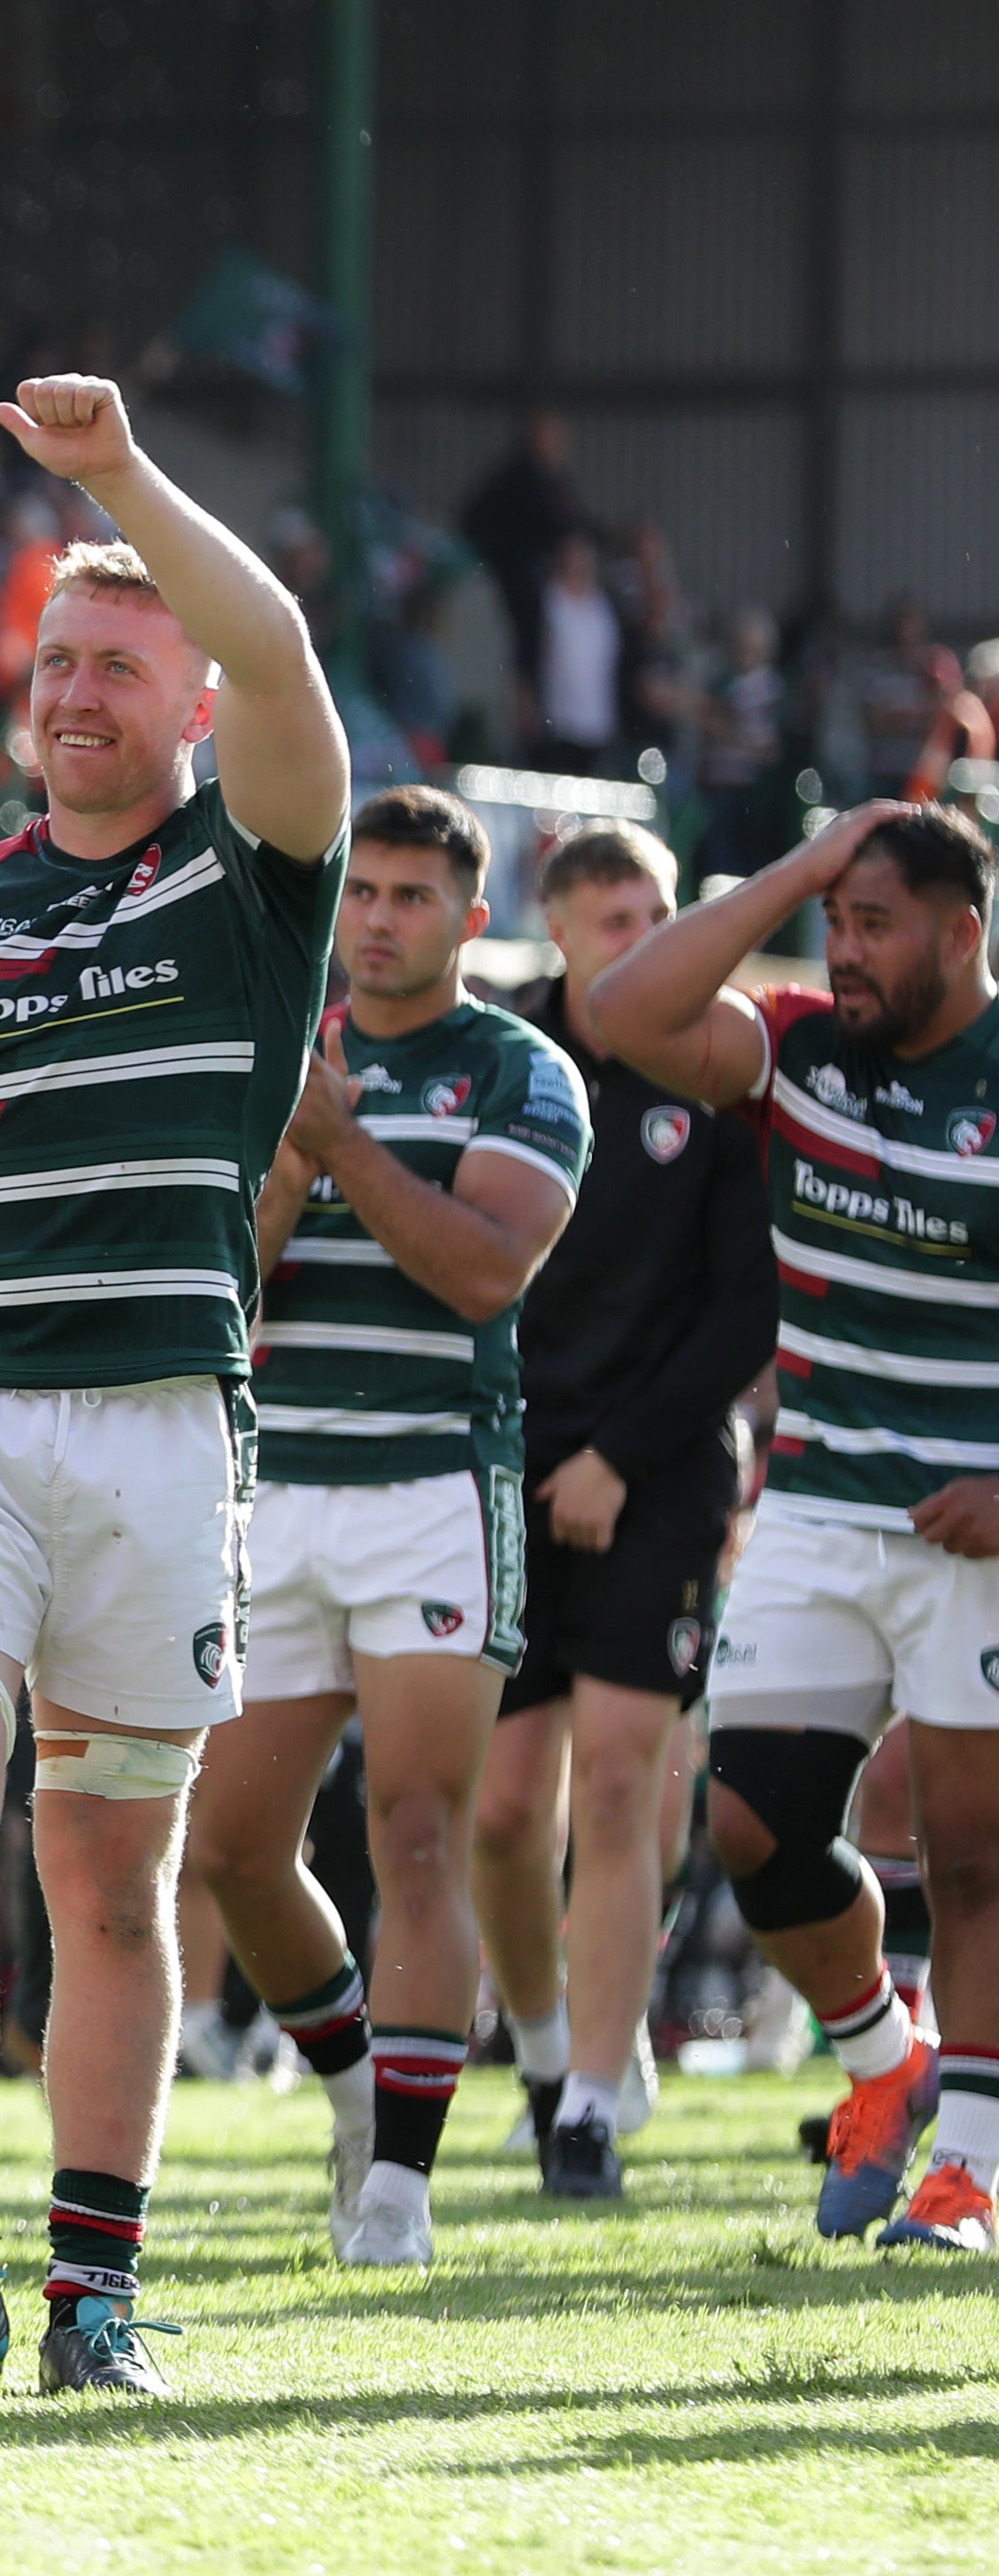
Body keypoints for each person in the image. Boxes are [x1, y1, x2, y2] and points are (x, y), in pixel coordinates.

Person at [0, 374, 351, 2396]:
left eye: (120, 662)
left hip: (165, 1428)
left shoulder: (261, 875)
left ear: (189, 701)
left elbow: (277, 644)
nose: (78, 690)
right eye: (59, 661)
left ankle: (95, 2291)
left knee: (109, 1868)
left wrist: (109, 480)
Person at [588, 797, 999, 2257]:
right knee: (753, 1818)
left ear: (964, 934)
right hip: (822, 1502)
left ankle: (972, 2168)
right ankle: (881, 2061)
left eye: (874, 922)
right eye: (835, 920)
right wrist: (803, 866)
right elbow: (623, 1005)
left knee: (966, 1856)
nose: (844, 949)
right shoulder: (800, 1044)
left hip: (977, 1530)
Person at [183, 785, 586, 2267]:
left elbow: (480, 1273)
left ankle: (401, 2190)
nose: (377, 920)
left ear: (472, 920)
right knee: (228, 1848)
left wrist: (341, 1143)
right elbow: (225, 1275)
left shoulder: (523, 1073)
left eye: (413, 896)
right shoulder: (263, 1045)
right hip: (273, 1482)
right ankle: (353, 2085)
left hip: (429, 1484)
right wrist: (292, 1154)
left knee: (414, 1821)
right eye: (361, 893)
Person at [470, 823, 772, 2199]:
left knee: (616, 1780)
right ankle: (544, 2051)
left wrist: (622, 1460)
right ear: (559, 931)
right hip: (505, 1461)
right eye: (614, 921)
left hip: (659, 1471)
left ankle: (591, 2099)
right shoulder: (494, 1058)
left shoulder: (718, 1070)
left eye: (659, 912)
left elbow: (742, 1315)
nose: (645, 942)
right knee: (497, 1813)